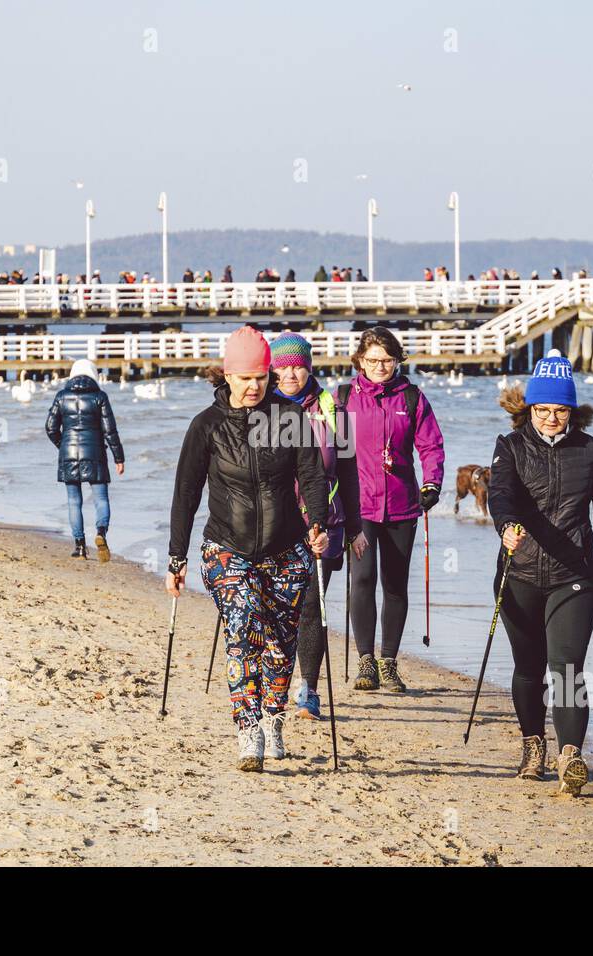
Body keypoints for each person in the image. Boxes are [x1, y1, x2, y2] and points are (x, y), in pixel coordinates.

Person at [167, 326, 329, 771]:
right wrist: (176, 557)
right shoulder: (207, 426)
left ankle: (273, 719)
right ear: (227, 376)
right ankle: (247, 728)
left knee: (279, 643)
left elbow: (313, 476)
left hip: (286, 548)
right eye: (246, 378)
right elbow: (186, 493)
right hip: (226, 548)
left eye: (262, 376)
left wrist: (319, 522)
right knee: (242, 630)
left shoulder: (290, 418)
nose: (255, 386)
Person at [487, 349, 593, 796]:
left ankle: (570, 756)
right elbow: (500, 494)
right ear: (528, 409)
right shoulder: (509, 447)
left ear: (572, 412)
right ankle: (532, 746)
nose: (549, 418)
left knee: (568, 669)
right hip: (519, 571)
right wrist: (506, 526)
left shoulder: (591, 451)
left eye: (559, 410)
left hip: (574, 574)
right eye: (542, 410)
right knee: (529, 667)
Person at [266, 332, 366, 720]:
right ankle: (275, 678)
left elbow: (349, 471)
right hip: (273, 523)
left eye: (299, 366)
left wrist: (356, 527)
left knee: (312, 605)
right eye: (283, 367)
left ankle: (308, 687)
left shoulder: (333, 409)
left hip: (322, 523)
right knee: (276, 607)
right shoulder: (263, 408)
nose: (291, 374)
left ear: (310, 366)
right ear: (273, 370)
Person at [341, 327, 445, 693]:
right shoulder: (343, 399)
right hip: (359, 507)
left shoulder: (413, 398)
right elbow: (327, 450)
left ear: (398, 360)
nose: (380, 366)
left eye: (387, 360)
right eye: (372, 360)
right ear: (359, 361)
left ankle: (389, 662)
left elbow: (431, 446)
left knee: (395, 584)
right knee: (363, 578)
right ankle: (365, 661)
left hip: (403, 504)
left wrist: (432, 483)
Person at [45, 358, 124, 560]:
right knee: (101, 499)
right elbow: (110, 430)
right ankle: (101, 533)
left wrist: (62, 445)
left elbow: (50, 427)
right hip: (96, 454)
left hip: (68, 455)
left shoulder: (62, 396)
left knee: (73, 501)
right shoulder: (100, 397)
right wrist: (119, 458)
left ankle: (80, 546)